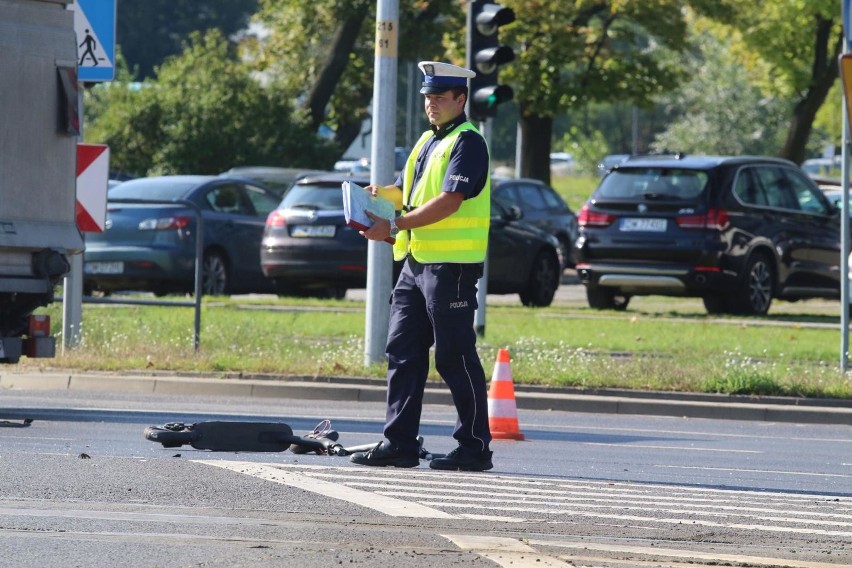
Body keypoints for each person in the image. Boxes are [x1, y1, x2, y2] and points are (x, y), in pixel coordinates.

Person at [350, 61, 493, 472]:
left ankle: (475, 448)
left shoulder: (468, 142)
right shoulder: (428, 141)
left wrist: (392, 223)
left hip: (452, 268)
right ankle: (400, 445)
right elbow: (408, 191)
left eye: (439, 97)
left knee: (454, 357)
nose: (431, 104)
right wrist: (379, 195)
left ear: (460, 99)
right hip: (416, 263)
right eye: (428, 98)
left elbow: (450, 201)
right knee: (403, 352)